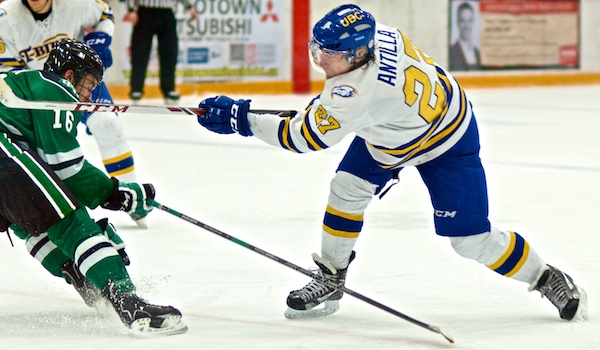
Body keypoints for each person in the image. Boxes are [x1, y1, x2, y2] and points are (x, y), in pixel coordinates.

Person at [195, 4, 588, 321]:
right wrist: (327, 111)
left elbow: (303, 138)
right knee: (346, 189)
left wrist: (240, 119)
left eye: (327, 55)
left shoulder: (355, 93)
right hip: (394, 132)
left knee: (471, 240)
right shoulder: (378, 35)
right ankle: (332, 277)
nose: (319, 60)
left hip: (447, 140)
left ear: (356, 54)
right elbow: (338, 109)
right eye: (318, 50)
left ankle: (546, 276)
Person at [0, 39, 186, 334]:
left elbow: (41, 191)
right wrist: (115, 193)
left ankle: (81, 273)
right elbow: (67, 168)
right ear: (70, 75)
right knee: (69, 219)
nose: (88, 95)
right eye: (88, 83)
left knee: (29, 217)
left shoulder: (22, 88)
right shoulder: (54, 89)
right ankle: (127, 300)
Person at [0, 0, 146, 226]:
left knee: (108, 124)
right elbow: (6, 71)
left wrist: (100, 40)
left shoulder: (77, 4)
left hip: (80, 81)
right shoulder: (6, 16)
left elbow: (105, 14)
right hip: (39, 93)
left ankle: (130, 192)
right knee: (44, 151)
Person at [123, 0, 198, 104]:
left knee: (169, 51)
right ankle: (136, 88)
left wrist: (189, 6)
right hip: (145, 10)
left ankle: (169, 89)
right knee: (140, 51)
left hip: (167, 11)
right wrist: (131, 9)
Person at [449, 1, 481, 71]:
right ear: (458, 22)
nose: (467, 26)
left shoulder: (477, 53)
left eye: (469, 21)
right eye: (463, 21)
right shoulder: (451, 52)